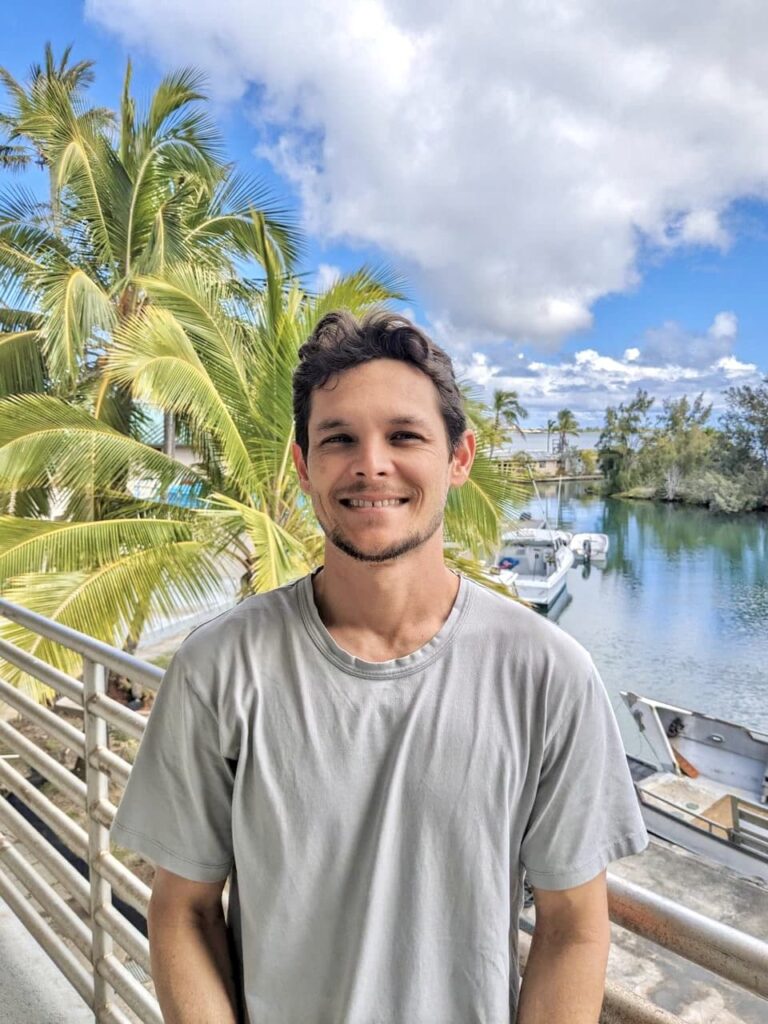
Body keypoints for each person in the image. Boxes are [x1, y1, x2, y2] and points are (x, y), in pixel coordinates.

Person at [111, 310, 648, 1023]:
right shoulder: (220, 667)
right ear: (304, 467)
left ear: (459, 459)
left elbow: (573, 927)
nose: (371, 464)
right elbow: (184, 911)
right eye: (339, 439)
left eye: (404, 436)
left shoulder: (548, 675)